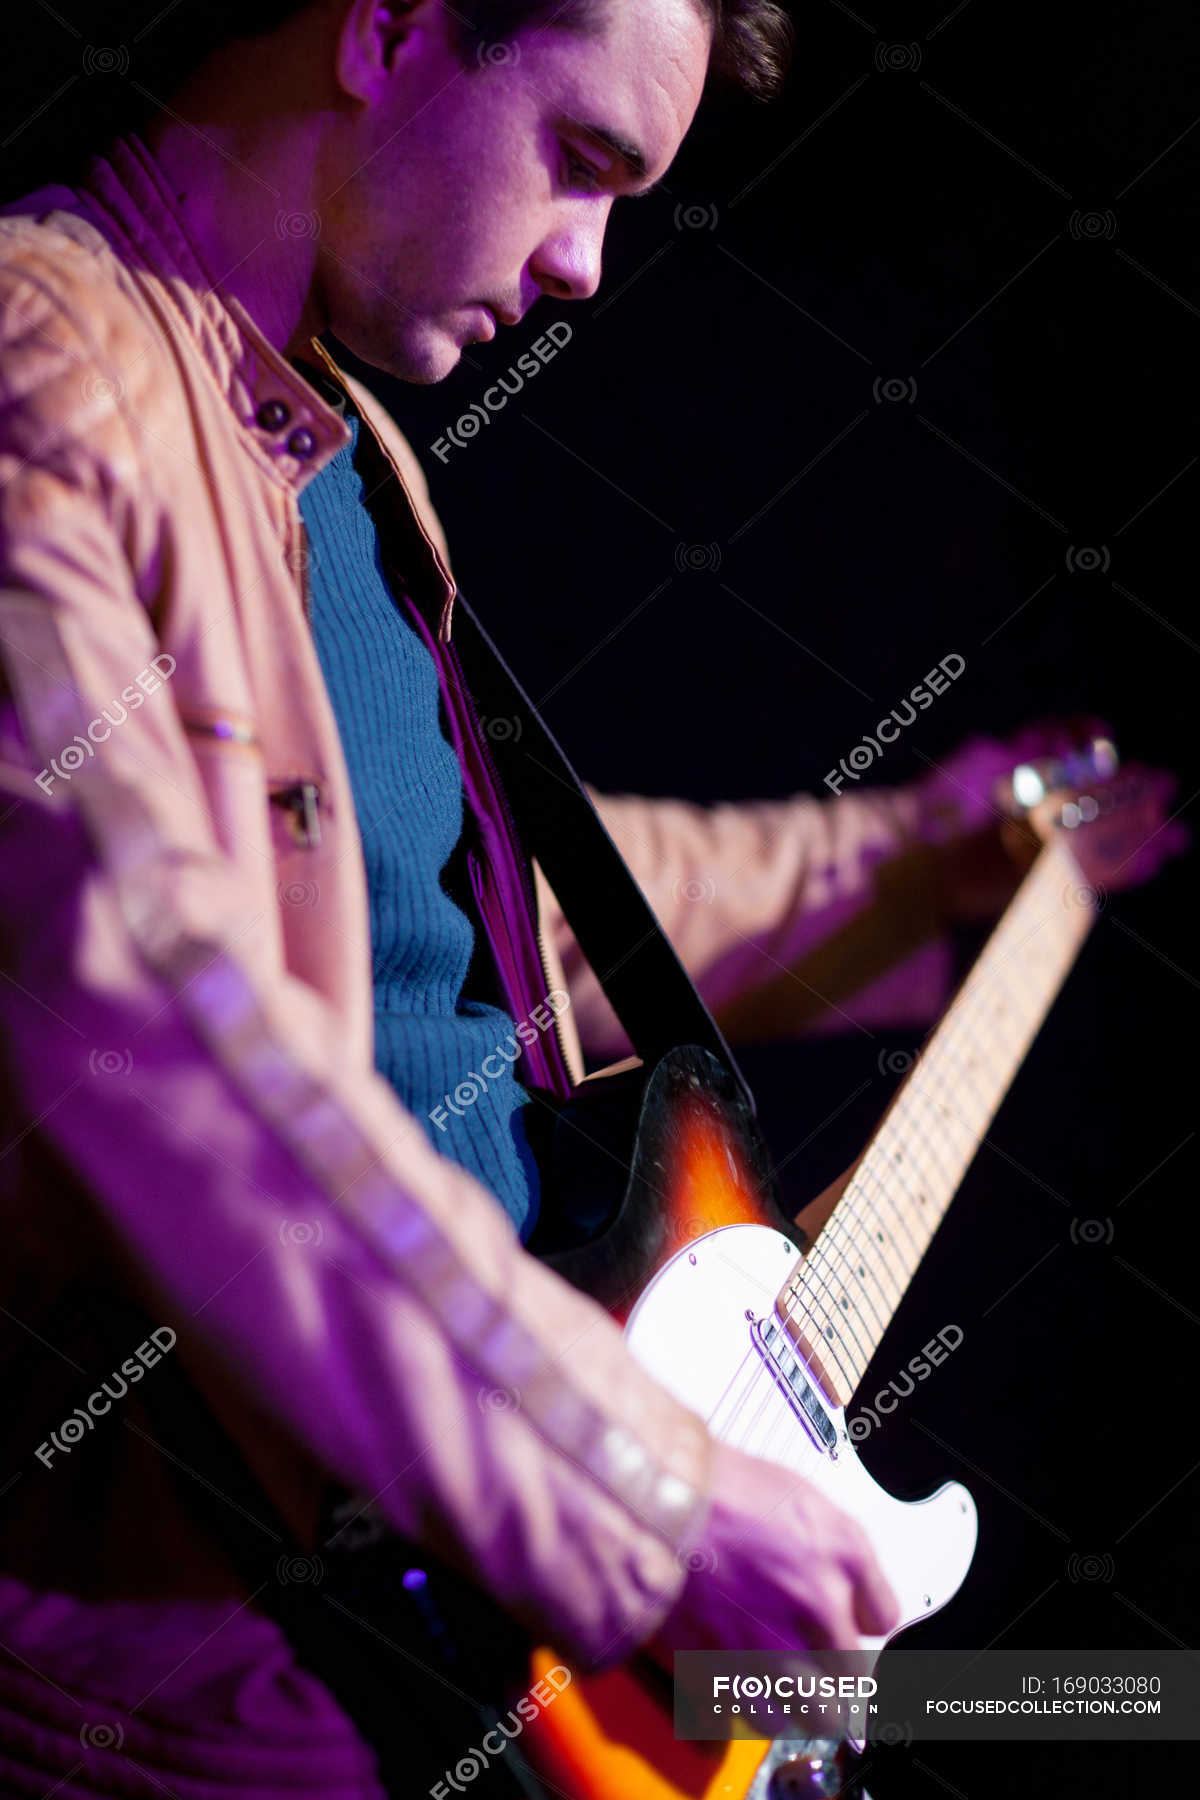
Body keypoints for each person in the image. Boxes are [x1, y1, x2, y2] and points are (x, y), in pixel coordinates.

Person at [0, 1, 1183, 1793]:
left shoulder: (337, 442)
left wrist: (926, 855)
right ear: (391, 27)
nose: (584, 267)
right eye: (583, 160)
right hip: (221, 1700)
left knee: (1127, 1708)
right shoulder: (43, 373)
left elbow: (471, 938)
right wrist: (654, 1494)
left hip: (485, 1644)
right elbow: (156, 1027)